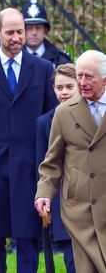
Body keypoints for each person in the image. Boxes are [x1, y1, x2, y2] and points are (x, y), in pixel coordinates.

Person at [0, 8, 57, 273]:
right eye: (11, 32)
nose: (17, 37)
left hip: (30, 168)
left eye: (21, 31)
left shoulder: (42, 69)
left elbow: (51, 118)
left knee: (28, 237)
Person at [35, 50, 106, 272]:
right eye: (79, 76)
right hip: (79, 209)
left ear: (104, 79)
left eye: (89, 77)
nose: (82, 82)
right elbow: (52, 161)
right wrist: (44, 193)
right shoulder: (64, 112)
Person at [36, 63, 77, 273]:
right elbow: (43, 163)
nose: (64, 92)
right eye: (59, 88)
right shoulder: (45, 122)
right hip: (63, 198)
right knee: (72, 261)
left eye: (69, 86)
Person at [0, 0, 71, 67]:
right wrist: (2, 32)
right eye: (29, 28)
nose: (34, 32)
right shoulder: (8, 54)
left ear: (46, 30)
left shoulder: (60, 59)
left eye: (38, 27)